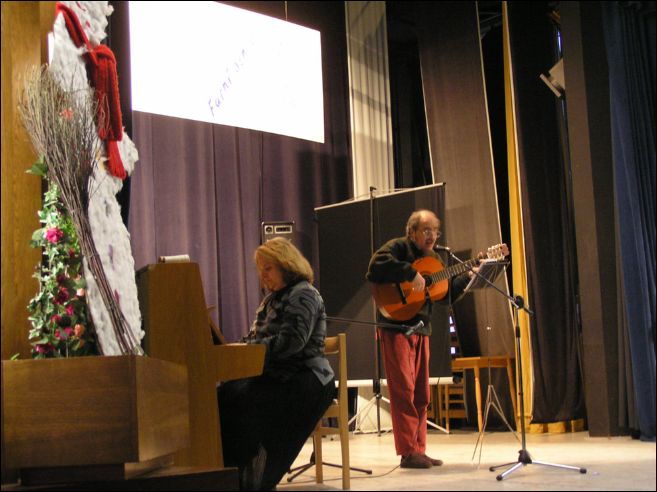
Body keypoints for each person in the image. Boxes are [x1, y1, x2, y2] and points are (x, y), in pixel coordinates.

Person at [217, 237, 336, 490]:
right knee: (225, 396)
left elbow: (292, 342)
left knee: (243, 400)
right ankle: (234, 476)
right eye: (261, 271)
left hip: (308, 378)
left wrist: (245, 348)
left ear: (286, 263)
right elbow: (254, 339)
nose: (263, 277)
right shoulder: (270, 301)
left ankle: (257, 478)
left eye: (267, 269)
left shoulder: (304, 293)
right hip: (282, 375)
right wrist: (235, 349)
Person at [366, 209, 471, 469]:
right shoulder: (398, 247)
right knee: (403, 391)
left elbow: (444, 295)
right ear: (411, 231)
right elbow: (375, 266)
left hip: (421, 328)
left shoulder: (435, 259)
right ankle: (407, 452)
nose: (432, 235)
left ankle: (419, 450)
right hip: (395, 327)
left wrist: (468, 277)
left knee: (422, 394)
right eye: (426, 230)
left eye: (435, 231)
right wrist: (409, 273)